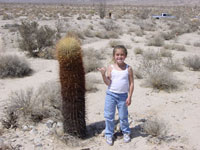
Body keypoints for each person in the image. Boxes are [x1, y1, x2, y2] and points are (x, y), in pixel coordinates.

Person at [98, 45, 134, 146]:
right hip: (111, 95)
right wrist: (103, 74)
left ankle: (126, 132)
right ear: (114, 56)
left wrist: (129, 96)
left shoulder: (128, 68)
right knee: (109, 116)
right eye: (117, 55)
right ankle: (109, 134)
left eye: (122, 54)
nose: (119, 57)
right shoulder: (111, 67)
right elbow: (108, 83)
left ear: (125, 56)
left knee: (123, 116)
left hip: (123, 96)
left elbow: (131, 83)